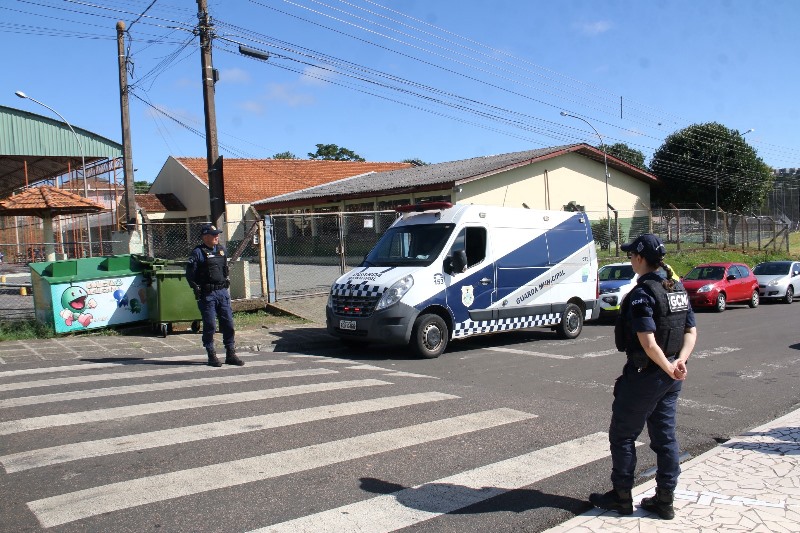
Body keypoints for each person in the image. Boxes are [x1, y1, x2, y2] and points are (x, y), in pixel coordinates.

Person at [589, 233, 697, 520]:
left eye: (630, 256)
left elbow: (648, 343)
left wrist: (668, 367)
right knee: (665, 438)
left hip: (646, 374)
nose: (629, 260)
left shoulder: (642, 294)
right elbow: (691, 331)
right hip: (671, 373)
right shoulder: (676, 288)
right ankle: (665, 499)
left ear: (639, 258)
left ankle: (622, 497)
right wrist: (679, 363)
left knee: (622, 435)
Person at [186, 223, 243, 367]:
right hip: (208, 294)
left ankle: (230, 353)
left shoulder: (221, 250)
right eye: (214, 235)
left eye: (217, 234)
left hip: (222, 292)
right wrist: (196, 288)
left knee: (228, 323)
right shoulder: (198, 252)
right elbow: (190, 275)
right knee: (210, 324)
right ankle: (211, 354)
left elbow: (224, 270)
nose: (217, 236)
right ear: (205, 237)